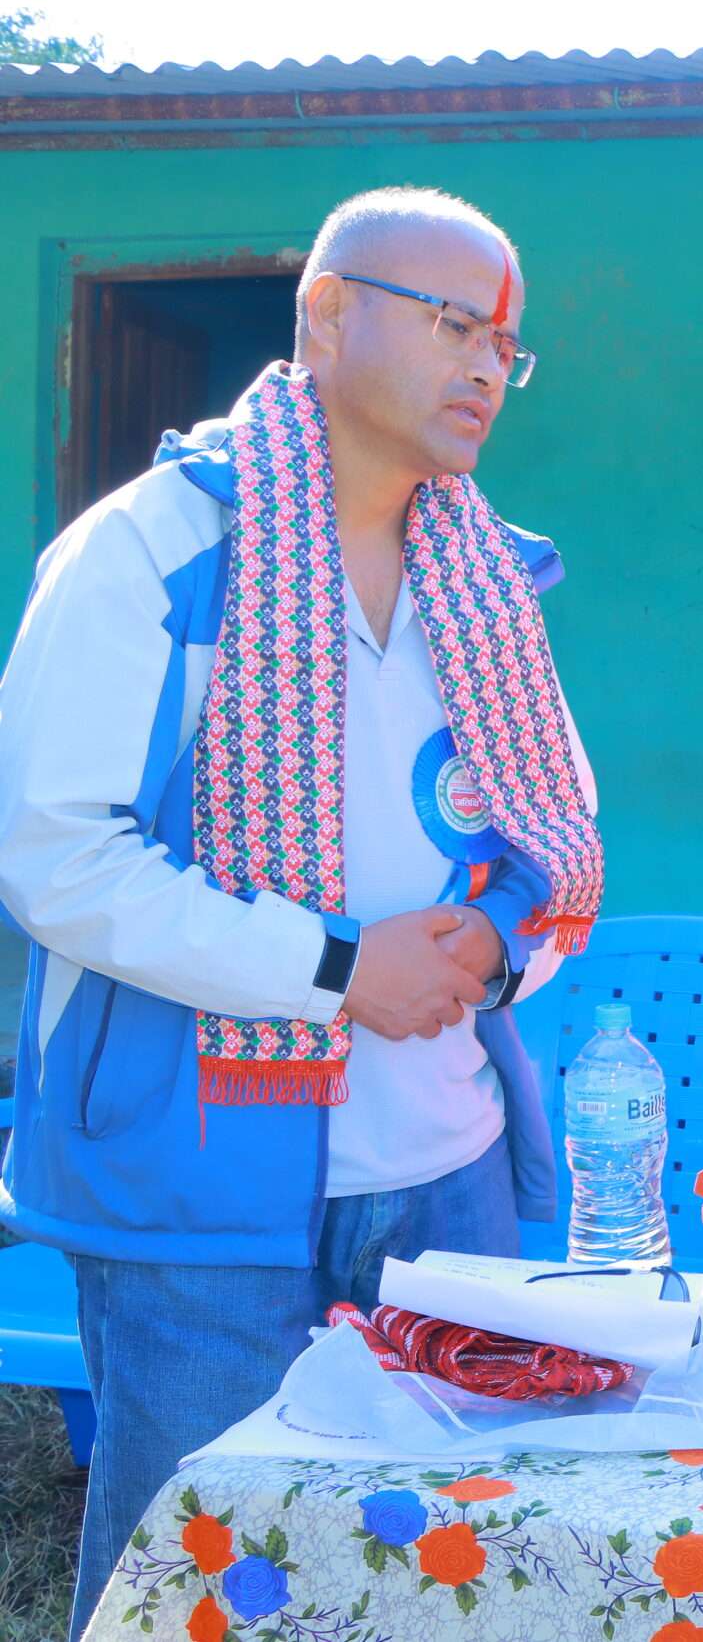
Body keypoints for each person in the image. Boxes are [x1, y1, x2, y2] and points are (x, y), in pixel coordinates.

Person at [0, 187, 601, 1639]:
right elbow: (52, 853)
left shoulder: (487, 572)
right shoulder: (150, 550)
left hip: (445, 1163)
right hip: (202, 1191)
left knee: (449, 1575)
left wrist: (500, 945)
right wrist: (333, 969)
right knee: (201, 1581)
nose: (486, 366)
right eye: (453, 324)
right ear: (326, 316)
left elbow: (558, 832)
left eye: (505, 344)